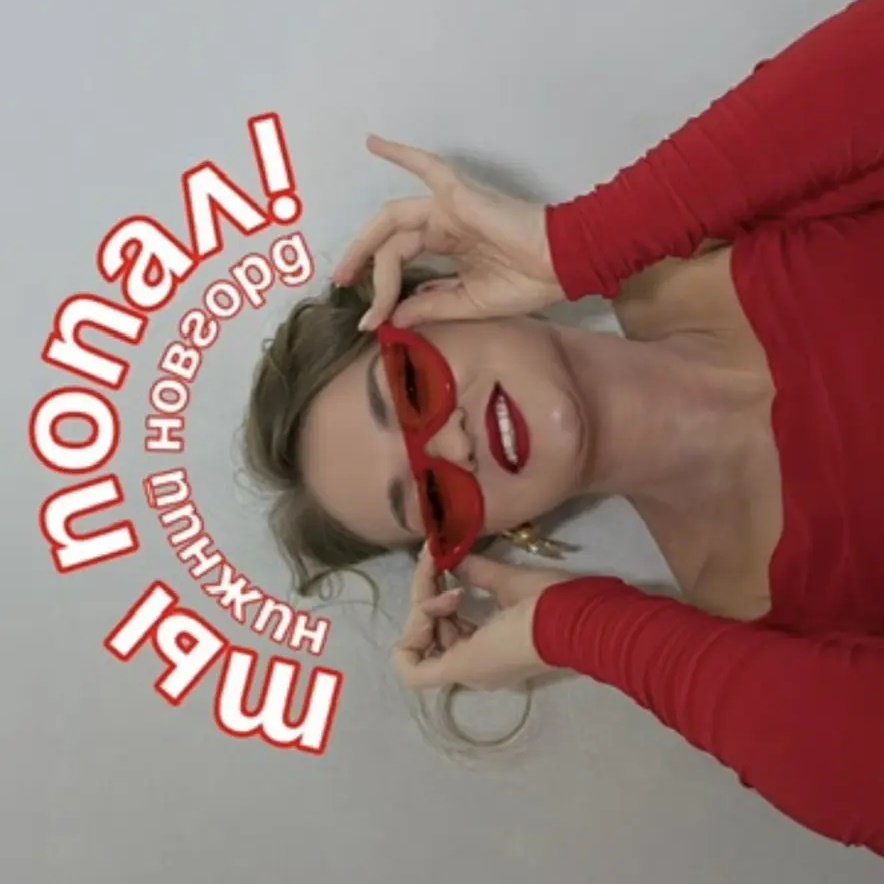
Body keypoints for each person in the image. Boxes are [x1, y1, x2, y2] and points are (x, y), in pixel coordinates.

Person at [243, 0, 884, 856]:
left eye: (409, 386)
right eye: (431, 497)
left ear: (439, 303)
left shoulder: (716, 228)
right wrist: (574, 629)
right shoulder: (756, 631)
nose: (454, 445)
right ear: (483, 535)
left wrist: (576, 243)